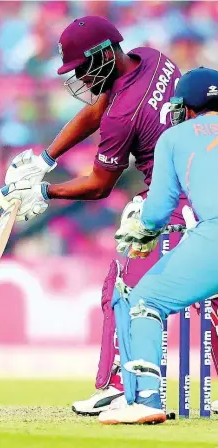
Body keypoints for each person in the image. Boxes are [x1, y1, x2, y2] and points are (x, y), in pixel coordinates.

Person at [0, 16, 218, 414]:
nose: (79, 76)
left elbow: (100, 184)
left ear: (104, 54)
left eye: (81, 66)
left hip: (169, 203)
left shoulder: (124, 115)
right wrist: (47, 159)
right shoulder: (154, 59)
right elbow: (99, 109)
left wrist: (46, 191)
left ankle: (118, 386)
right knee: (209, 294)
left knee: (123, 288)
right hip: (202, 189)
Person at [98, 67, 218, 424]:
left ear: (188, 106)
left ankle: (147, 399)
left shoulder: (175, 136)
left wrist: (142, 227)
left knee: (145, 302)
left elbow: (159, 210)